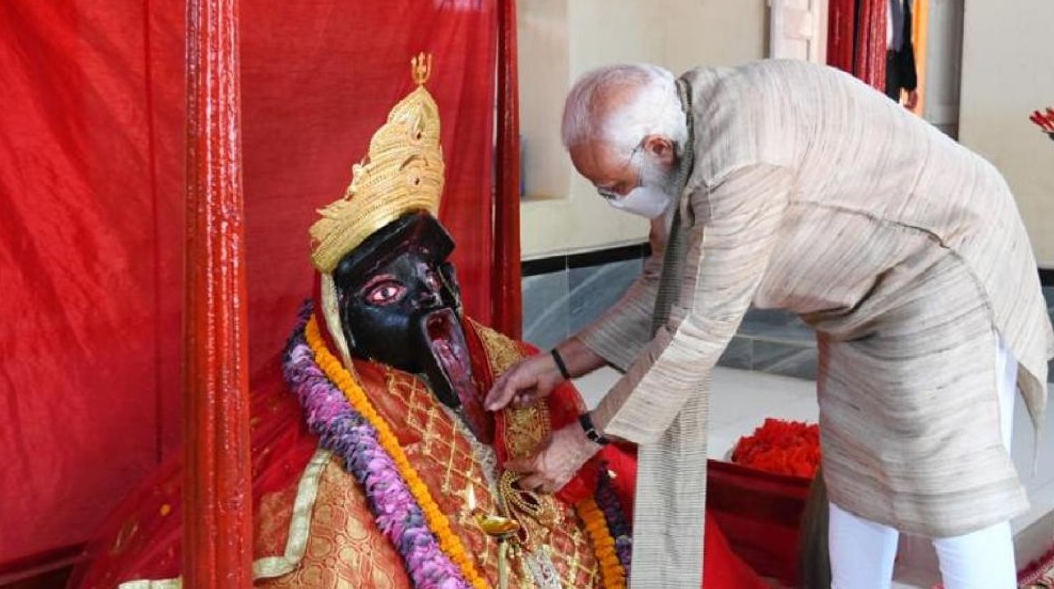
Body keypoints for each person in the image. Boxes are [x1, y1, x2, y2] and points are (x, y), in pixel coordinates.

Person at [67, 56, 765, 589]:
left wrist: (574, 425)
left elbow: (687, 331)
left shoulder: (735, 183)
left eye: (436, 270)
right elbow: (658, 308)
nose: (429, 298)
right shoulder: (319, 453)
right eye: (387, 289)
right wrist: (560, 377)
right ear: (342, 314)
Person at [488, 59, 1054, 588]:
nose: (610, 199)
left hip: (946, 268)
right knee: (856, 479)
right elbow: (663, 283)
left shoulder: (738, 165)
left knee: (951, 489)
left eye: (612, 186)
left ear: (657, 147)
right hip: (862, 299)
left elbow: (696, 329)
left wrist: (582, 440)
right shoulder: (686, 142)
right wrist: (556, 364)